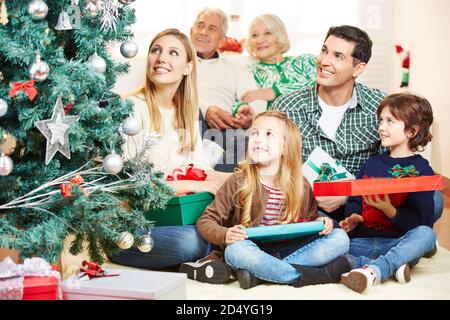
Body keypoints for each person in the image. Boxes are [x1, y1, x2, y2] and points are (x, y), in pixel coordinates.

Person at [180, 110, 351, 289]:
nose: (259, 139)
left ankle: (261, 275)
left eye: (268, 134)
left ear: (285, 147)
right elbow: (206, 221)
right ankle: (315, 275)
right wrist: (226, 234)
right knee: (235, 251)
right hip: (253, 249)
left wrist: (320, 221)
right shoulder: (238, 180)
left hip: (291, 249)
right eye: (254, 133)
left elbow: (309, 219)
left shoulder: (300, 184)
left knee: (340, 238)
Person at [109, 29, 228, 270]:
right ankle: (215, 256)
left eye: (173, 53)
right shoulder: (130, 108)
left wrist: (242, 181)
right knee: (191, 241)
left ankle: (220, 256)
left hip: (172, 218)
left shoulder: (186, 113)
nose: (161, 58)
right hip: (132, 227)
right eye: (156, 50)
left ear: (188, 67)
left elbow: (202, 171)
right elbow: (133, 188)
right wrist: (200, 186)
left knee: (236, 218)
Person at [339, 93, 437, 294]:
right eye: (381, 121)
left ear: (411, 130)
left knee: (426, 235)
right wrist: (354, 216)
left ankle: (375, 269)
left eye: (390, 121)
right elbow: (355, 199)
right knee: (331, 243)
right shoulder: (371, 164)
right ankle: (393, 266)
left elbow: (420, 223)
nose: (381, 127)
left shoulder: (422, 170)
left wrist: (390, 210)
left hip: (398, 242)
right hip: (361, 243)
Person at [190, 7, 267, 172]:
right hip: (189, 119)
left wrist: (250, 114)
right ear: (191, 31)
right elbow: (172, 93)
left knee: (247, 143)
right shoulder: (178, 61)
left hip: (222, 128)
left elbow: (255, 97)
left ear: (221, 40)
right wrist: (206, 109)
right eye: (200, 26)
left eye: (212, 28)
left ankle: (211, 182)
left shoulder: (233, 67)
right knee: (194, 111)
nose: (203, 32)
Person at [240, 14, 316, 110]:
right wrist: (241, 111)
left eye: (267, 33)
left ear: (280, 35)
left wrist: (274, 91)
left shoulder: (305, 62)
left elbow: (327, 84)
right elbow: (240, 100)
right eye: (254, 35)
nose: (259, 40)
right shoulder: (250, 72)